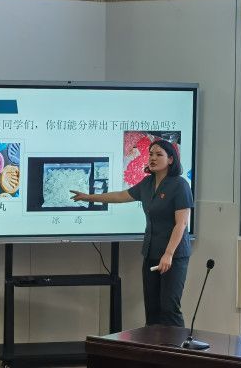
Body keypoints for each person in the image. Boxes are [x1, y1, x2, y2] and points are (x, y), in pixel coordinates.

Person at [70, 138, 193, 326]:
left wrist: (168, 254)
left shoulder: (180, 185)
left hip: (174, 257)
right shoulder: (147, 183)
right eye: (151, 154)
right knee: (152, 308)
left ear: (171, 159)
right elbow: (120, 196)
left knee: (169, 308)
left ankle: (177, 345)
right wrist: (89, 197)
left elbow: (181, 223)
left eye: (159, 154)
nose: (153, 158)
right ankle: (153, 344)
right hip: (151, 253)